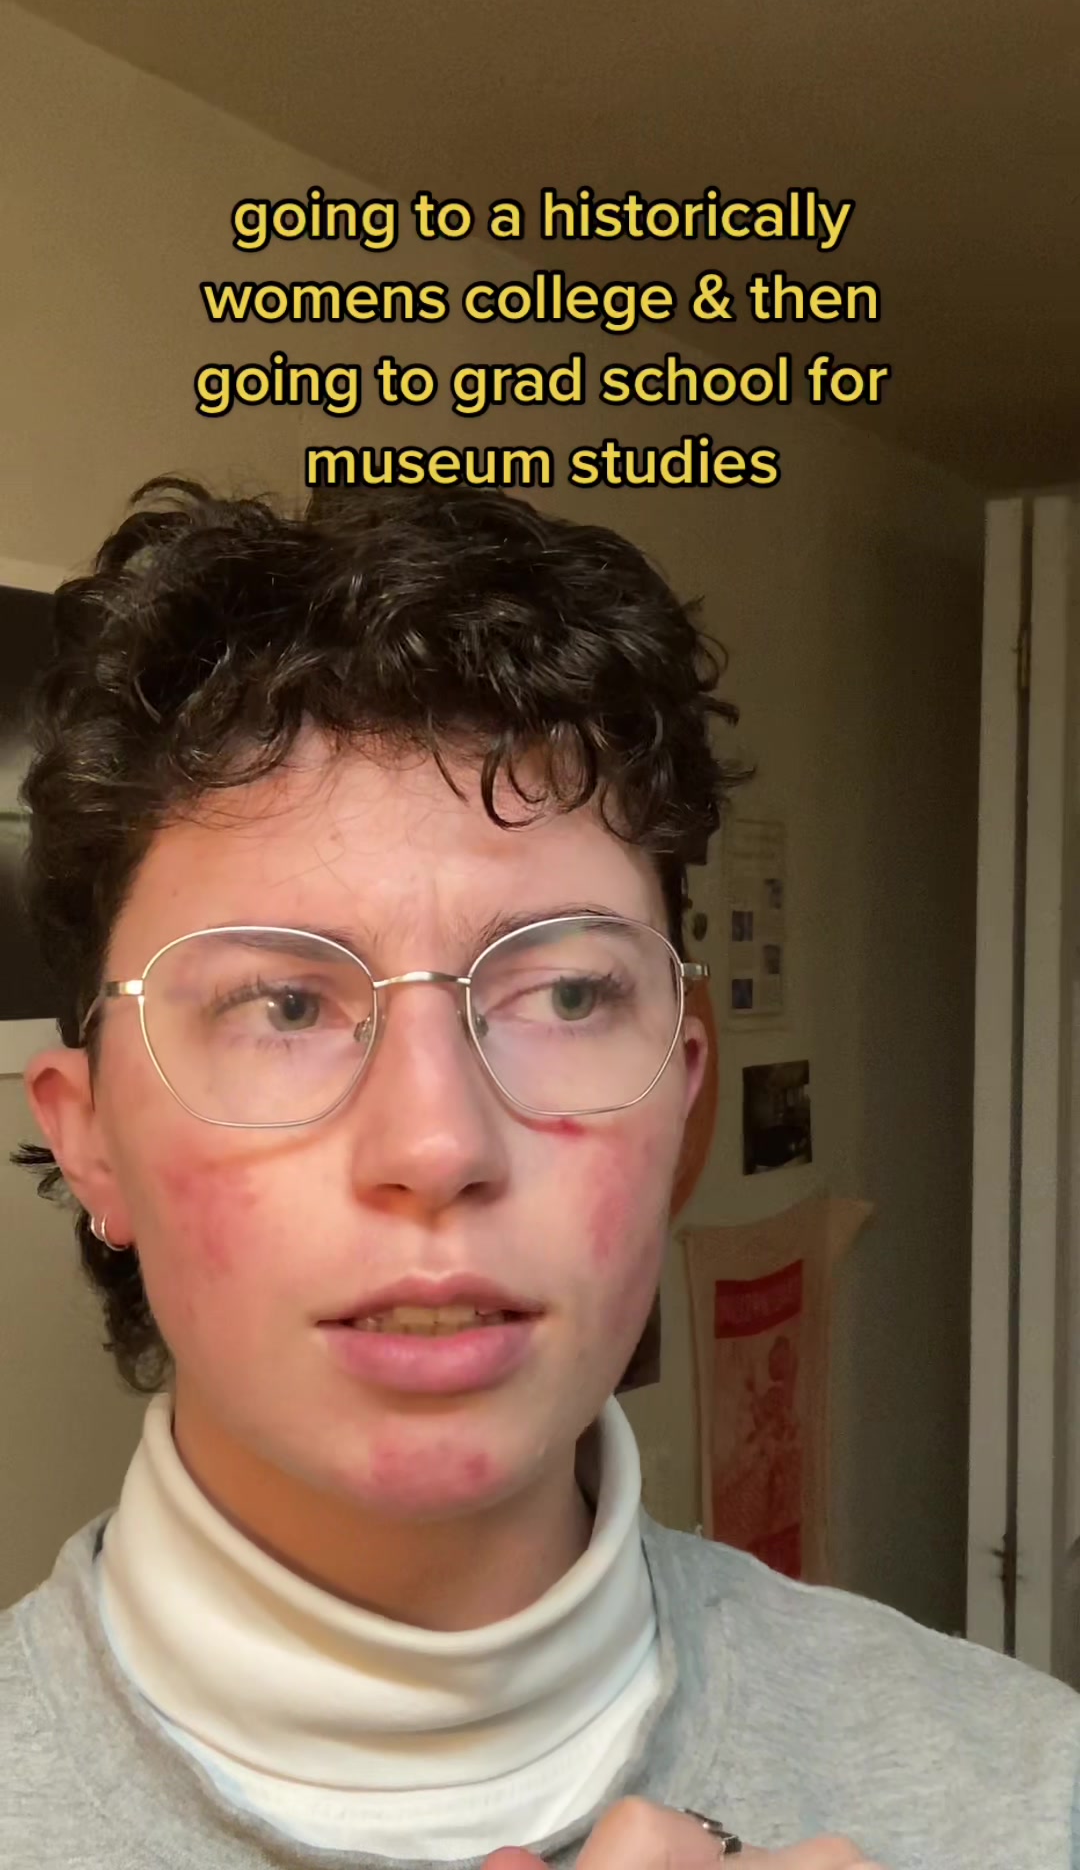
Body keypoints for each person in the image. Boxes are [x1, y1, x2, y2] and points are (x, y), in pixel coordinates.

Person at [1, 478, 1076, 1870]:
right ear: (89, 1138)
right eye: (283, 1004)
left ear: (684, 1091)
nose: (438, 1145)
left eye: (567, 995)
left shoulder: (1030, 1792)